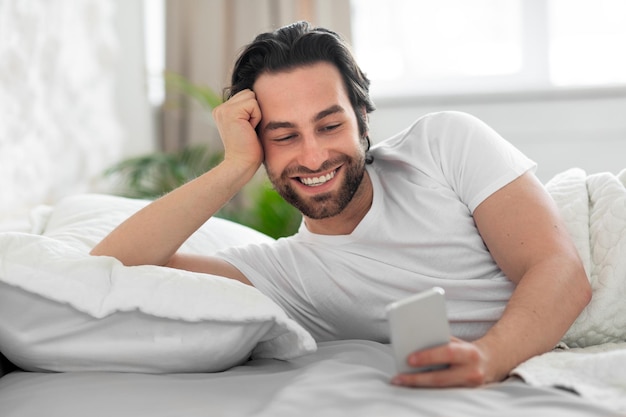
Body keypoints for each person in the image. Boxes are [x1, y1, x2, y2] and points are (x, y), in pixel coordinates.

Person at [91, 21, 591, 388]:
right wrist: (232, 169)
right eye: (283, 136)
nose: (312, 155)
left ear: (363, 120)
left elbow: (561, 270)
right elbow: (108, 268)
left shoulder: (443, 143)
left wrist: (490, 357)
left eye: (329, 126)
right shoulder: (289, 274)